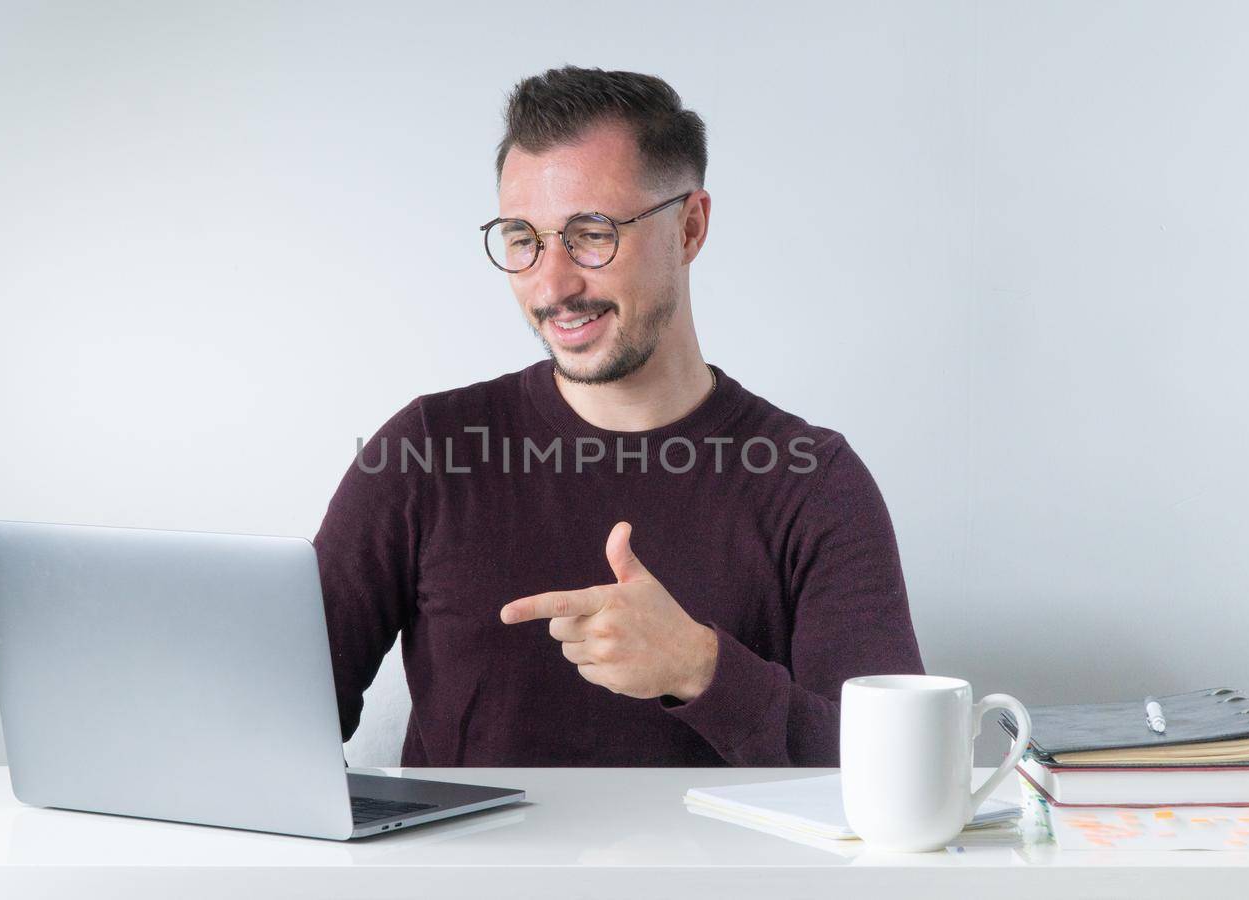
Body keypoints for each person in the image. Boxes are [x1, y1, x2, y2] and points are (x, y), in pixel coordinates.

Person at [315, 65, 923, 767]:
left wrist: (701, 668)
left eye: (591, 233)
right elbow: (281, 706)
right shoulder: (425, 451)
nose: (552, 286)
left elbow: (895, 768)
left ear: (690, 228)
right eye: (523, 238)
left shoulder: (812, 482)